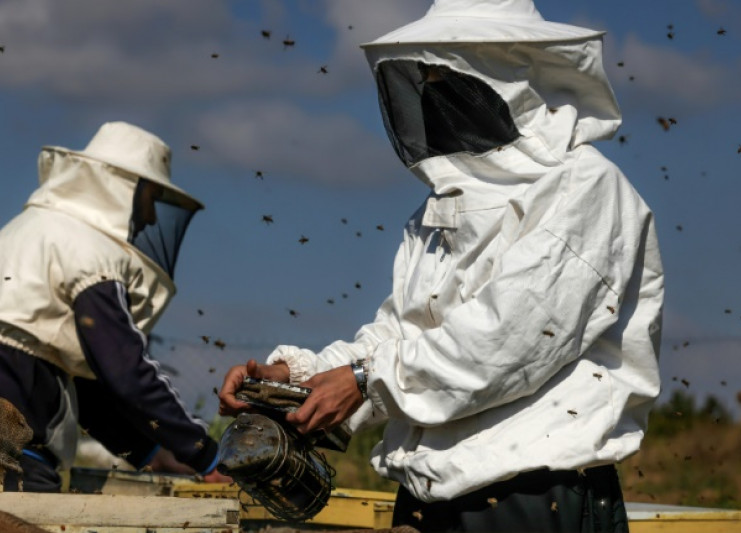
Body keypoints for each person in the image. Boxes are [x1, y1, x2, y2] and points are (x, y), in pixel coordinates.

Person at [219, 0, 662, 531]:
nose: (430, 98)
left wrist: (363, 381)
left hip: (533, 497)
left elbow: (504, 341)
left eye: (442, 77)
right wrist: (298, 378)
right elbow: (402, 334)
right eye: (418, 81)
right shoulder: (440, 207)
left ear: (501, 73)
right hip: (429, 493)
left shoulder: (584, 188)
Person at [0, 121, 226, 492]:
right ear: (126, 189)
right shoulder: (89, 253)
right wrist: (205, 453)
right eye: (150, 199)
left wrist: (149, 452)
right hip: (12, 439)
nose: (149, 218)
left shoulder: (30, 230)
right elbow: (126, 371)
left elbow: (85, 384)